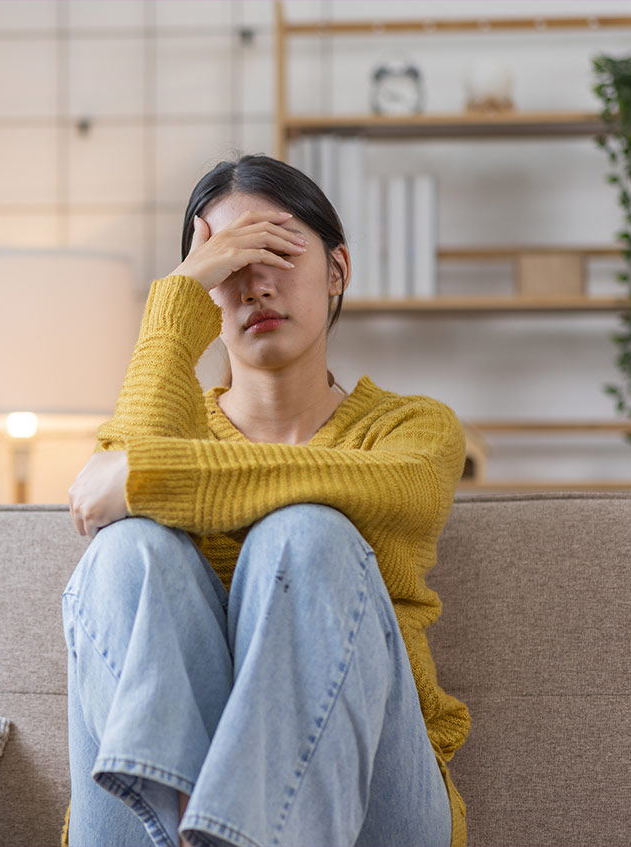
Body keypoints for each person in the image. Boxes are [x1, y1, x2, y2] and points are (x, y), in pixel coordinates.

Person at [61, 153, 470, 847]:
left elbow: (128, 474)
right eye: (225, 263)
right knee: (127, 549)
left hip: (374, 800)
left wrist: (147, 478)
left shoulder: (411, 428)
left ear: (337, 270)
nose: (254, 284)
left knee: (309, 534)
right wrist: (178, 292)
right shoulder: (177, 426)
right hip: (155, 818)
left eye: (275, 250)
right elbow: (116, 492)